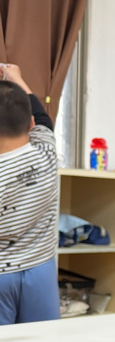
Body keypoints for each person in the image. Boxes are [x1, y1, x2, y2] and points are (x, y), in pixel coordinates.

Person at [0, 64, 59, 325]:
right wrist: (16, 78)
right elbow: (44, 119)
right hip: (41, 271)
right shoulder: (47, 154)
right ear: (31, 124)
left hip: (2, 275)